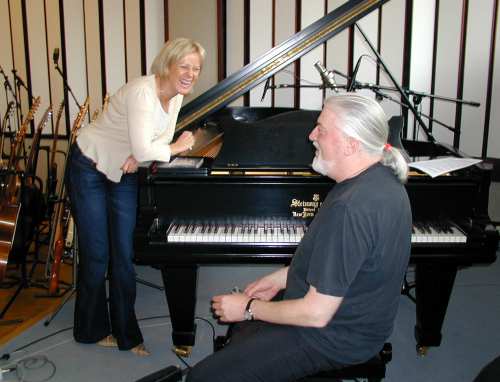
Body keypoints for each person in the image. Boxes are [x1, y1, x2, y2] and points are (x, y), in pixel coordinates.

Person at [186, 93, 412, 381]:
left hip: (333, 337)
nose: (311, 135)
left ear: (350, 144)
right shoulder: (382, 179)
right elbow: (344, 265)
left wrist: (249, 309)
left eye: (322, 129)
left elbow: (316, 314)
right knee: (242, 333)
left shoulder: (350, 207)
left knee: (203, 378)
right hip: (357, 319)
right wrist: (280, 278)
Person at [68, 38, 205, 355]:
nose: (190, 74)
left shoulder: (175, 97)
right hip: (89, 165)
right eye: (184, 66)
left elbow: (155, 141)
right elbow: (161, 145)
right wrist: (174, 147)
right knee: (97, 254)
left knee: (124, 255)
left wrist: (141, 155)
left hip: (124, 170)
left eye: (196, 68)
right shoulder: (144, 91)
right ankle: (89, 330)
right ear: (168, 64)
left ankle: (127, 335)